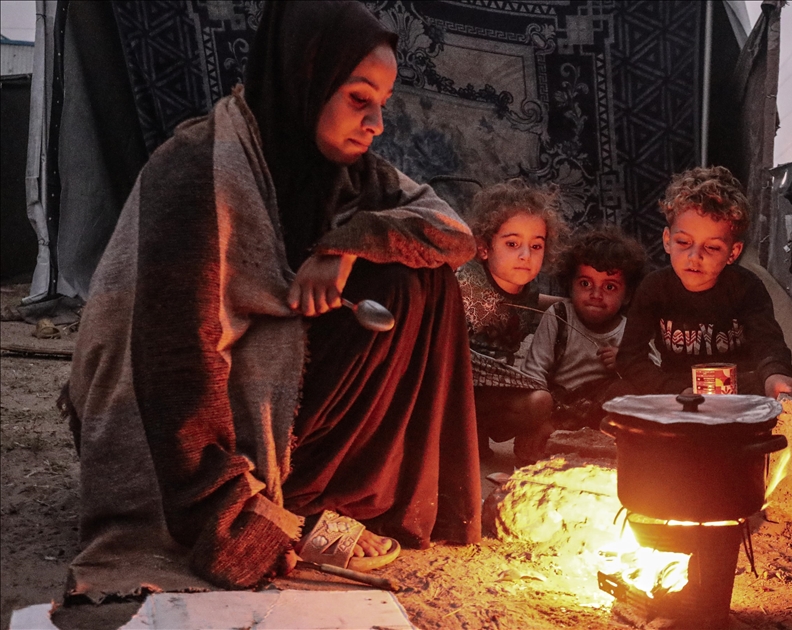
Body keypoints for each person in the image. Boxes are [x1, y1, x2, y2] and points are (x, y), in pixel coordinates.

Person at [63, 1, 481, 597]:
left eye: (382, 105)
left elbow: (453, 236)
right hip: (166, 390)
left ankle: (332, 494)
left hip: (258, 369)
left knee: (418, 278)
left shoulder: (355, 174)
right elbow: (175, 354)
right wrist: (225, 515)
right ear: (305, 79)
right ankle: (286, 505)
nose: (376, 124)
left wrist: (349, 243)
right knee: (345, 308)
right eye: (359, 99)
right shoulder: (198, 168)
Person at [613, 166, 792, 399]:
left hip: (737, 389)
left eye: (712, 247)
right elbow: (630, 358)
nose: (694, 257)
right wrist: (672, 390)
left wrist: (775, 375)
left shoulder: (746, 287)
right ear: (667, 240)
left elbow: (768, 344)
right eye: (683, 242)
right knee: (618, 392)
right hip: (678, 389)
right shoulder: (654, 288)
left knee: (779, 393)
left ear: (733, 253)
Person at [456, 179, 567, 465]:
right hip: (450, 386)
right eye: (512, 244)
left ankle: (478, 430)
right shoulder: (464, 282)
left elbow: (533, 305)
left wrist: (574, 307)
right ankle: (456, 437)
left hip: (493, 391)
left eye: (536, 246)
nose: (525, 256)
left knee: (541, 402)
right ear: (483, 248)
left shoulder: (527, 291)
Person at [522, 225, 648, 429]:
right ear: (570, 285)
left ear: (628, 295)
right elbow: (533, 372)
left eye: (609, 287)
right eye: (585, 284)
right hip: (555, 406)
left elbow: (650, 375)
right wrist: (537, 420)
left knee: (625, 389)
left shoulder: (630, 330)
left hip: (600, 413)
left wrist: (626, 362)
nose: (596, 295)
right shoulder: (558, 316)